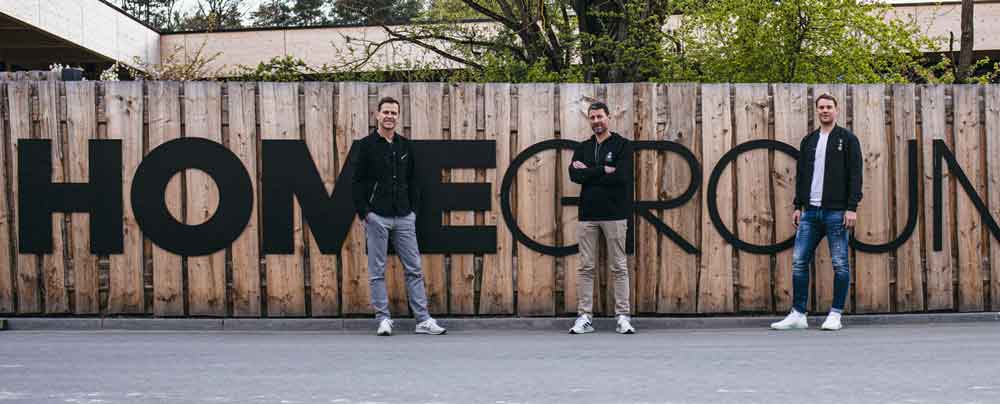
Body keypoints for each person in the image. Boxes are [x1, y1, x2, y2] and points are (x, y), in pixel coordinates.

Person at [352, 96, 446, 336]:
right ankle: (383, 319)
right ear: (377, 115)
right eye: (386, 112)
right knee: (377, 271)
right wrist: (366, 213)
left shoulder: (405, 145)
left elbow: (414, 181)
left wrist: (413, 212)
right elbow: (356, 182)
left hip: (404, 216)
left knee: (414, 269)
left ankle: (423, 320)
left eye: (394, 113)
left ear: (398, 116)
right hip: (377, 217)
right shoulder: (366, 145)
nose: (389, 116)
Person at [771, 93, 863, 332]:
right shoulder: (809, 140)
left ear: (836, 110)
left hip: (836, 213)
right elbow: (802, 176)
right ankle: (798, 314)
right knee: (799, 262)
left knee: (840, 264)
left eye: (829, 107)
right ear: (817, 111)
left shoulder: (848, 139)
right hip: (810, 212)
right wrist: (797, 206)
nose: (825, 111)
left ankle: (835, 314)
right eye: (821, 107)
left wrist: (851, 207)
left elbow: (855, 175)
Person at [567, 101, 635, 334]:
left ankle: (623, 316)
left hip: (615, 214)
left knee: (619, 266)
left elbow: (622, 176)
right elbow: (574, 176)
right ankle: (584, 316)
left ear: (609, 117)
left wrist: (589, 171)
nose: (596, 121)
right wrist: (602, 169)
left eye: (600, 117)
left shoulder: (622, 145)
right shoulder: (583, 147)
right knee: (586, 267)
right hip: (588, 215)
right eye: (592, 117)